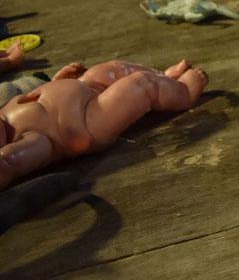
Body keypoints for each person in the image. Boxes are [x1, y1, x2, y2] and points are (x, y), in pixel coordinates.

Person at [0, 59, 207, 190]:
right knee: (141, 84)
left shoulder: (5, 112)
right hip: (90, 120)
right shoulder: (26, 143)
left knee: (111, 69)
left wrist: (58, 83)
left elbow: (37, 101)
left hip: (83, 88)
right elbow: (15, 161)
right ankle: (183, 92)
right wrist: (7, 165)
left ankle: (164, 78)